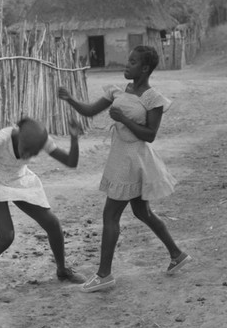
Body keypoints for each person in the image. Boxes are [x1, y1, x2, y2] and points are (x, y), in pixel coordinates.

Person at [58, 45, 192, 293]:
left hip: (133, 160)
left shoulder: (153, 99)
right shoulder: (120, 90)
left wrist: (124, 119)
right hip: (121, 157)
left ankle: (104, 275)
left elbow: (150, 135)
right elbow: (90, 110)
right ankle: (177, 254)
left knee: (110, 216)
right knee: (143, 213)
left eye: (132, 62)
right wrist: (70, 99)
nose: (126, 65)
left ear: (144, 68)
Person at [0, 116, 85, 293]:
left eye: (33, 153)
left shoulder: (41, 140)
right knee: (6, 236)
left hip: (19, 179)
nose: (27, 155)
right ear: (18, 136)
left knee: (53, 224)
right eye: (25, 150)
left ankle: (62, 270)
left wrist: (73, 138)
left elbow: (71, 162)